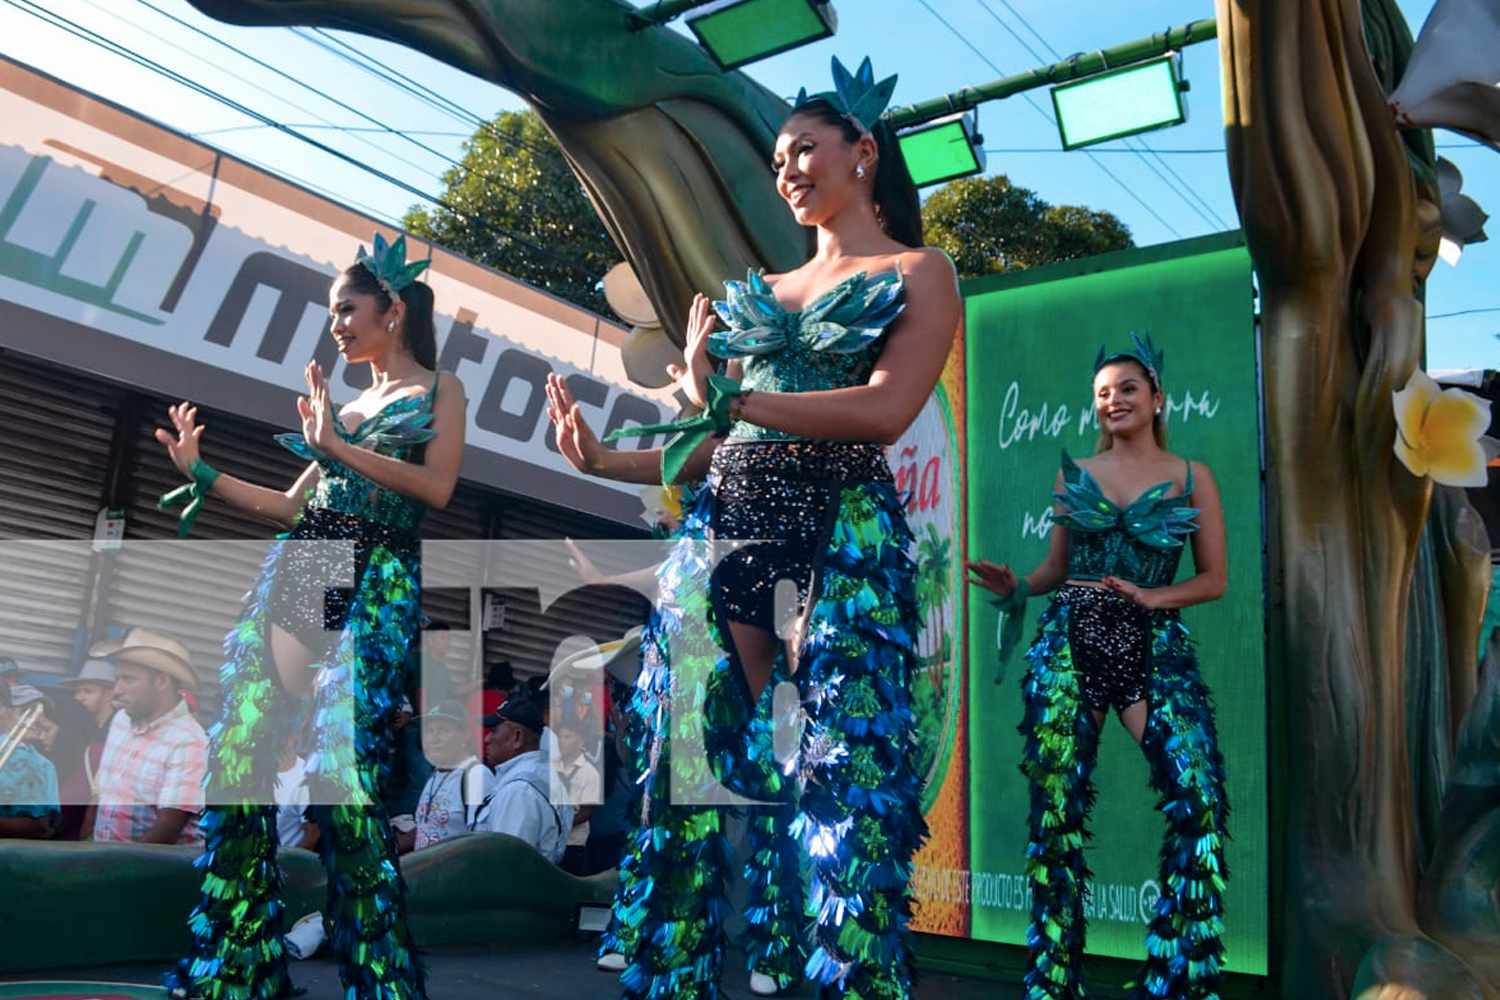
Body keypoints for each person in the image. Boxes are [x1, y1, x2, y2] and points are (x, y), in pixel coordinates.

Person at [546, 56, 958, 1000]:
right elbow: (716, 441)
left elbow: (884, 410)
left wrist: (732, 401)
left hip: (836, 534)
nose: (787, 172)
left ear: (863, 151)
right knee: (685, 775)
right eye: (777, 161)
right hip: (725, 529)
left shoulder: (918, 271)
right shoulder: (759, 291)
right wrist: (603, 460)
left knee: (843, 781)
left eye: (804, 149)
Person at [156, 233, 466, 1000]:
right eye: (332, 312)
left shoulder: (441, 389)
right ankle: (238, 965)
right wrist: (205, 472)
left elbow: (437, 490)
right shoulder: (346, 407)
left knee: (341, 773)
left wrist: (337, 446)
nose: (335, 324)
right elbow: (292, 507)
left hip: (377, 571)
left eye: (346, 309)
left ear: (392, 311)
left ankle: (380, 980)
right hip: (306, 564)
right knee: (240, 756)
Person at [964, 334, 1230, 1000]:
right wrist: (1017, 587)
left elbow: (1214, 578)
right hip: (1070, 644)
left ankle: (1177, 981)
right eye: (1103, 393)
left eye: (1127, 389)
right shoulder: (1074, 473)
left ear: (1157, 397)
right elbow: (1056, 569)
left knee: (1200, 802)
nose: (1114, 400)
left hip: (1153, 644)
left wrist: (1152, 598)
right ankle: (1055, 983)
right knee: (1055, 817)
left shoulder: (1192, 475)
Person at [87, 627, 208, 846]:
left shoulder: (189, 742)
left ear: (162, 681)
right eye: (118, 679)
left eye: (128, 680)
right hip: (107, 857)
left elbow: (167, 830)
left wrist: (117, 863)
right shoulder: (121, 720)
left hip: (148, 864)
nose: (117, 690)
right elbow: (105, 794)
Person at [476, 697, 571, 864]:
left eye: (494, 731)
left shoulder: (518, 792)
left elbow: (507, 864)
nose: (487, 739)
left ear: (518, 737)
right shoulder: (545, 773)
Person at [397, 700, 489, 854]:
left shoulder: (475, 776)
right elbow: (429, 826)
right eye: (429, 731)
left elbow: (483, 840)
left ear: (465, 735)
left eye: (443, 730)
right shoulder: (435, 774)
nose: (434, 738)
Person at [57, 658, 116, 839]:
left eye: (88, 691)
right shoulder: (79, 726)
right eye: (78, 691)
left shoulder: (118, 731)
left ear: (109, 694)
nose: (79, 697)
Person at [0, 685, 61, 840]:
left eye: (39, 713)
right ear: (7, 714)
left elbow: (46, 825)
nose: (36, 719)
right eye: (26, 711)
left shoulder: (46, 766)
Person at [549, 716, 600, 875]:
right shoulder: (550, 766)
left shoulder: (590, 772)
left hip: (572, 843)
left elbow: (586, 812)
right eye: (559, 737)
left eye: (567, 737)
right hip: (548, 841)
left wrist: (559, 824)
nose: (561, 741)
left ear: (581, 741)